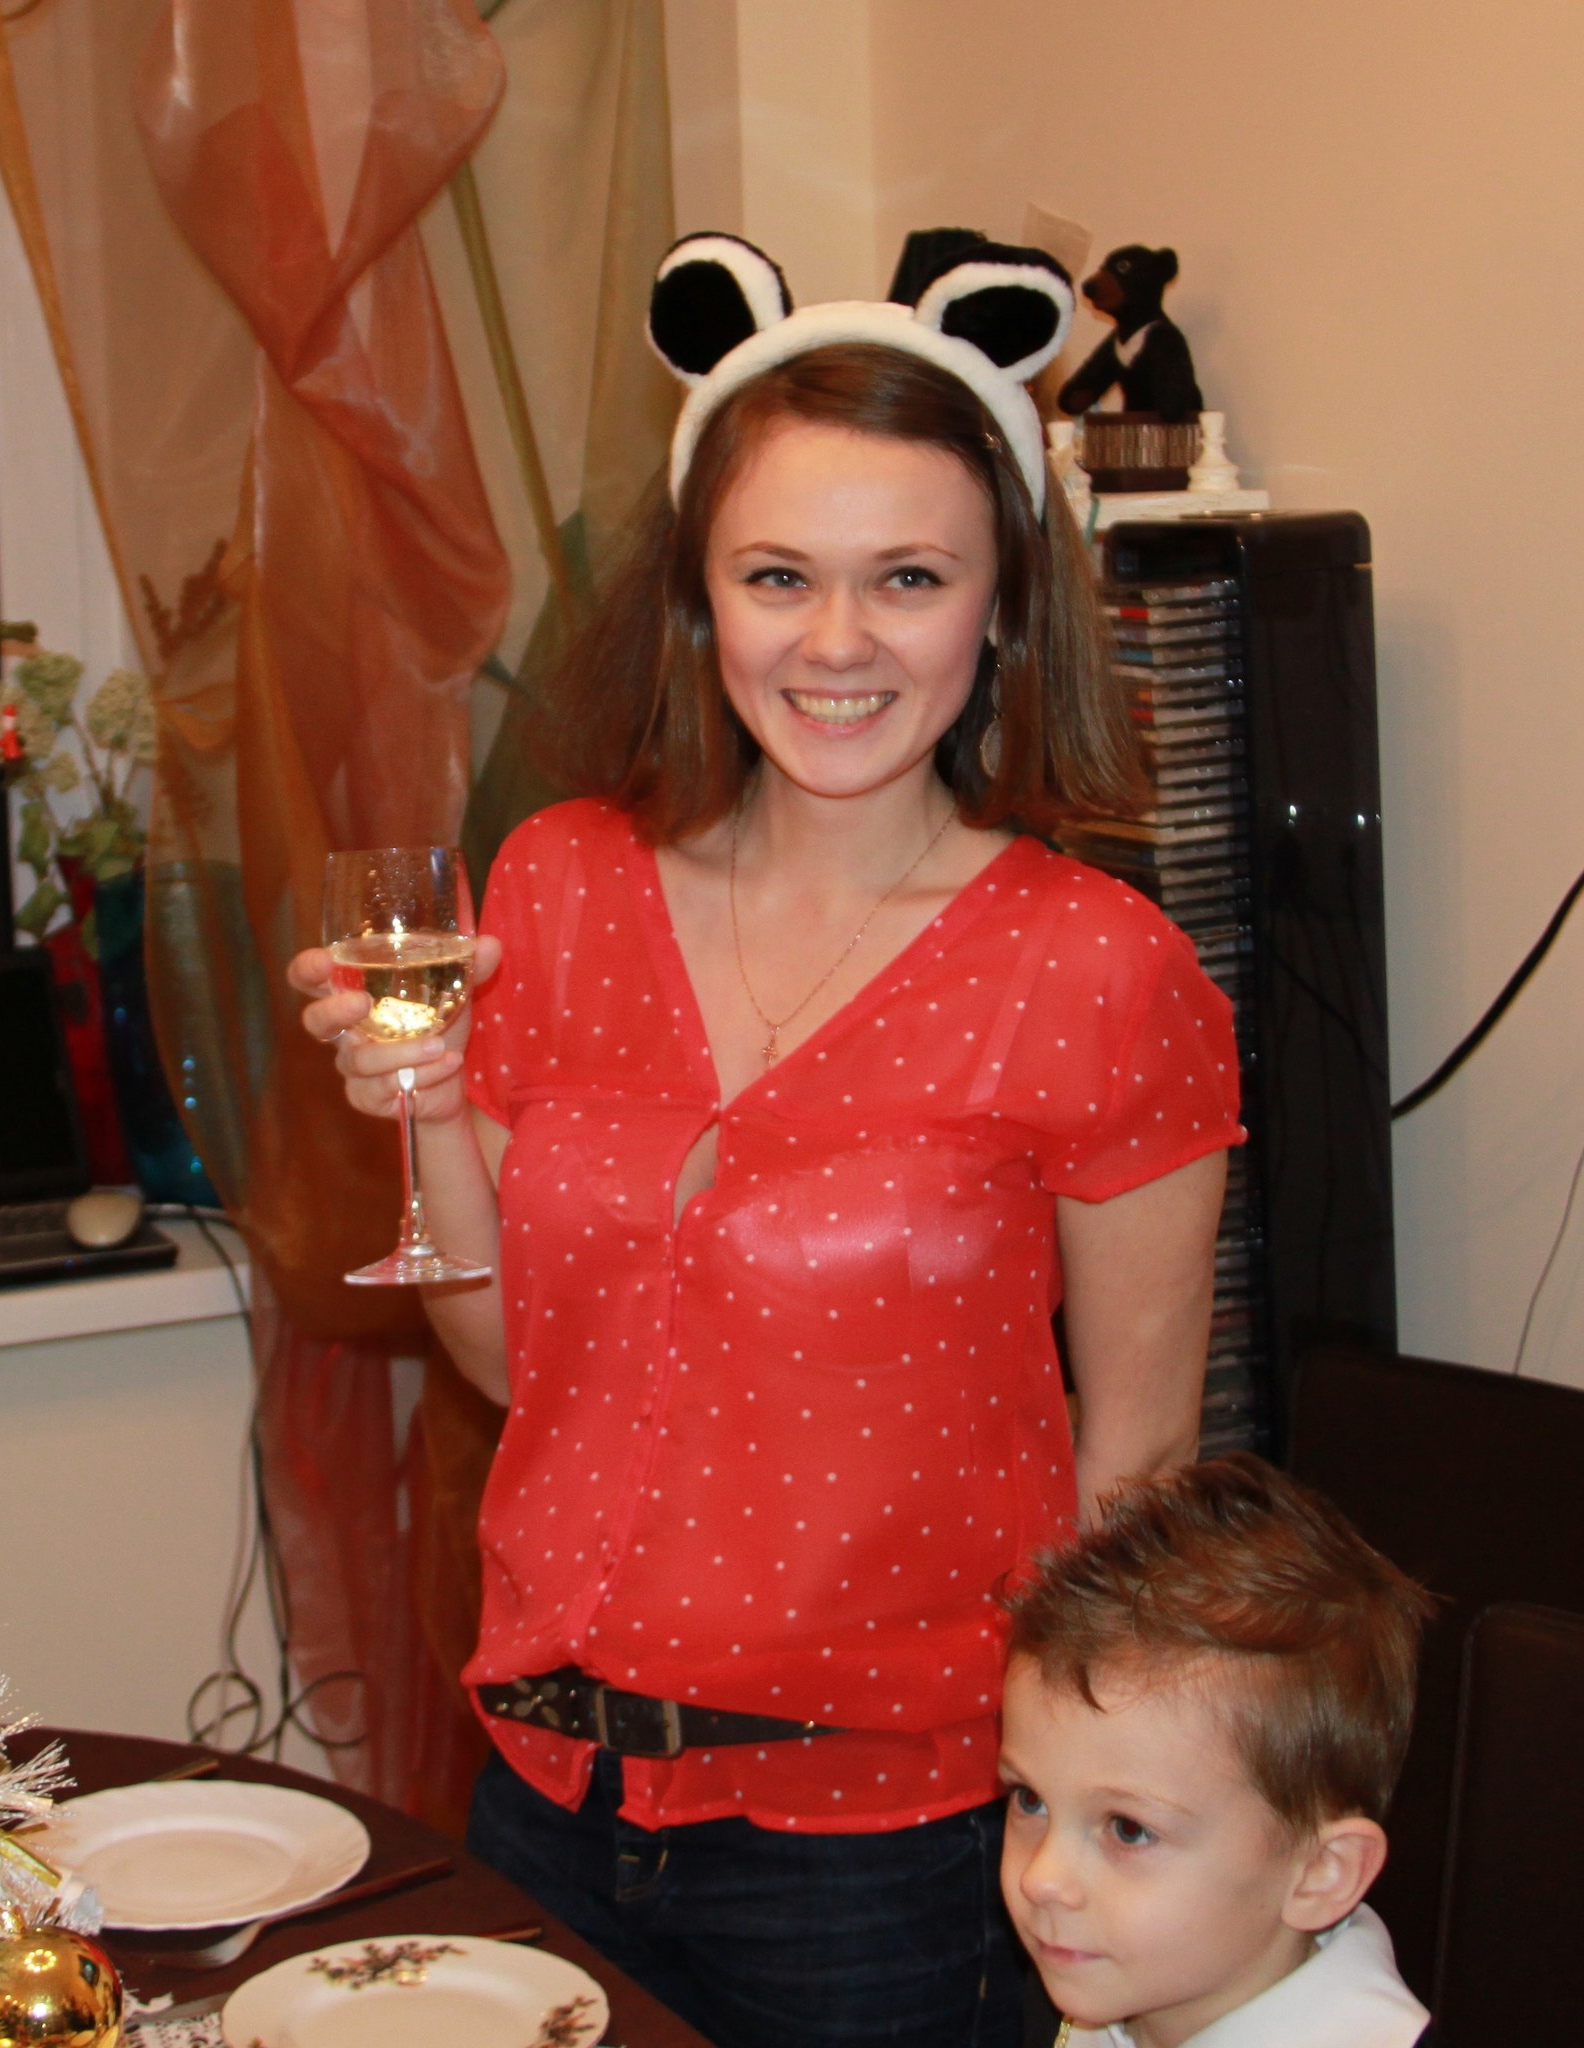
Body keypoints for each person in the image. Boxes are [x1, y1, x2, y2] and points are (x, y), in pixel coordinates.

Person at [290, 230, 1245, 2048]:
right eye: (776, 575)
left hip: (886, 1853)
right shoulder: (558, 883)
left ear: (999, 604)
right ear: (697, 596)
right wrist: (420, 1105)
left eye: (908, 578)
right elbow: (513, 1366)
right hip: (542, 1796)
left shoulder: (1093, 965)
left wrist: (1097, 1836)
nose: (834, 641)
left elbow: (1136, 1470)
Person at [998, 1454, 1435, 2047]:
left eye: (1128, 1829)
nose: (1041, 1879)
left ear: (1320, 1874)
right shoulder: (1083, 1980)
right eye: (1029, 1800)